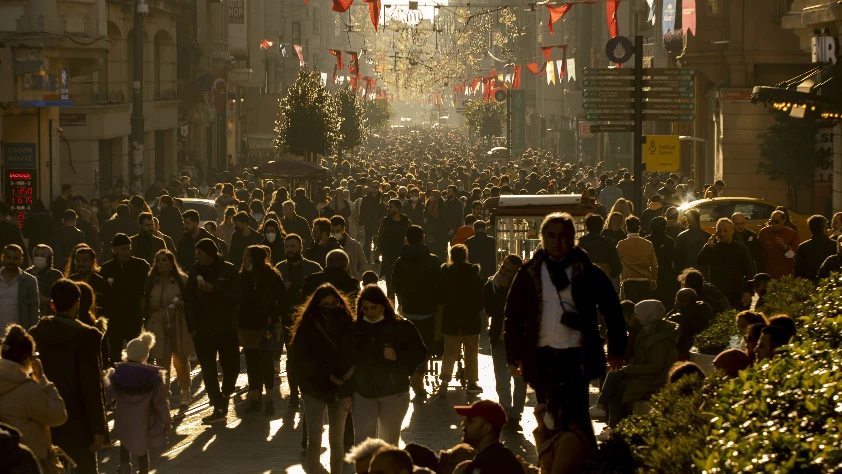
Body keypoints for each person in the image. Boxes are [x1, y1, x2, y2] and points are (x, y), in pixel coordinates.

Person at [505, 212, 627, 406]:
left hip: (577, 355)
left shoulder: (589, 272)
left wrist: (617, 349)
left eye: (563, 236)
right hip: (541, 354)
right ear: (543, 238)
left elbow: (612, 310)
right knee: (547, 416)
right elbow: (513, 316)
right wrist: (514, 355)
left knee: (576, 416)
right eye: (551, 235)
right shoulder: (528, 273)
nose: (557, 241)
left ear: (572, 238)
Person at [29, 279, 107, 474]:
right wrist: (99, 428)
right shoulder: (86, 336)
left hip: (44, 417)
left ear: (52, 304)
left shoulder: (35, 335)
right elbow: (91, 385)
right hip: (78, 420)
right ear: (77, 304)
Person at [289, 284, 356, 474]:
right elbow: (301, 358)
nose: (329, 307)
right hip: (314, 387)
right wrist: (326, 374)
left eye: (333, 303)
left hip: (339, 387)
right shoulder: (307, 325)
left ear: (339, 303)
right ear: (317, 304)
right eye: (324, 304)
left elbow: (352, 352)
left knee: (337, 440)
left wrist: (348, 374)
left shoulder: (347, 322)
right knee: (314, 440)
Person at [349, 285, 426, 445]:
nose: (370, 312)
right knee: (363, 445)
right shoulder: (354, 329)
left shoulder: (401, 325)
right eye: (365, 308)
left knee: (389, 444)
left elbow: (420, 352)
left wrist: (398, 357)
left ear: (383, 305)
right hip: (363, 394)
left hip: (394, 392)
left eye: (374, 308)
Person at [591, 300, 678, 434]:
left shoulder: (658, 339)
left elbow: (656, 366)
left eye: (639, 313)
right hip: (645, 373)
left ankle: (612, 423)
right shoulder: (648, 331)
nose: (636, 316)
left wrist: (630, 368)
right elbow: (641, 356)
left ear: (648, 315)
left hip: (655, 378)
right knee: (616, 375)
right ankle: (609, 419)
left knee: (620, 386)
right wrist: (630, 365)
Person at [185, 238, 241, 424]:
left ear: (209, 254)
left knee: (231, 367)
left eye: (199, 253)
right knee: (208, 370)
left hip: (226, 328)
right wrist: (192, 328)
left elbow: (236, 297)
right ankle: (218, 405)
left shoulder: (228, 270)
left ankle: (225, 394)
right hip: (203, 330)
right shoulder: (195, 271)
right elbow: (189, 300)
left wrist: (214, 289)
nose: (197, 256)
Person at [0, 324, 67, 467]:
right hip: (33, 464)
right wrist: (43, 381)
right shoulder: (29, 391)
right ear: (26, 358)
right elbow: (59, 415)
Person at [104, 332, 171, 474]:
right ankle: (143, 471)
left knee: (124, 441)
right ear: (145, 355)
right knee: (142, 449)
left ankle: (125, 467)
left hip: (123, 418)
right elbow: (160, 402)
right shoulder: (153, 377)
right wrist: (167, 421)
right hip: (144, 419)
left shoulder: (118, 374)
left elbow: (111, 394)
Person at [391, 225, 442, 403]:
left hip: (408, 309)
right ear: (423, 238)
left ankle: (410, 373)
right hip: (428, 310)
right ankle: (418, 376)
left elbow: (394, 284)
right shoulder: (434, 260)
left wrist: (401, 300)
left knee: (408, 344)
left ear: (406, 239)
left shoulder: (400, 261)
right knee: (426, 345)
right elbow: (440, 283)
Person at [275, 234, 323, 406]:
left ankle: (310, 389)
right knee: (292, 357)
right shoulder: (279, 269)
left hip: (310, 319)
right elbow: (275, 297)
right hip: (289, 319)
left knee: (311, 355)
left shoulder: (313, 267)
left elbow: (321, 294)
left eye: (293, 246)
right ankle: (294, 393)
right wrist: (282, 290)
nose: (289, 250)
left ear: (300, 247)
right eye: (287, 247)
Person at [142, 249, 193, 410]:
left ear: (171, 263)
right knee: (161, 363)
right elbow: (146, 305)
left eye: (164, 260)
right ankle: (164, 394)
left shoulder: (181, 280)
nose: (161, 263)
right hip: (158, 326)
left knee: (181, 360)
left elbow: (192, 301)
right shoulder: (151, 282)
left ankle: (185, 390)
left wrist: (182, 305)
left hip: (178, 325)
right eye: (158, 261)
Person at [239, 245, 285, 415]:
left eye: (248, 255)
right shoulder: (243, 276)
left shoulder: (271, 275)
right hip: (248, 326)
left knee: (266, 361)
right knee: (251, 361)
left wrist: (273, 316)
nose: (244, 259)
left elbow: (281, 298)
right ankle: (255, 397)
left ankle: (269, 398)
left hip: (266, 325)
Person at [485, 255, 526, 428]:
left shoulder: (524, 288)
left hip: (518, 340)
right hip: (499, 338)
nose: (504, 272)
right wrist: (502, 290)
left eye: (509, 271)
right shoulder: (491, 285)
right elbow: (492, 311)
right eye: (503, 267)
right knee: (502, 378)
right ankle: (505, 412)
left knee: (520, 379)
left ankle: (516, 414)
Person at [438, 244, 485, 395]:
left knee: (450, 351)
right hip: (470, 318)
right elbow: (480, 297)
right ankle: (471, 382)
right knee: (471, 351)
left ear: (451, 256)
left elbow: (441, 296)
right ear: (466, 256)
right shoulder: (473, 274)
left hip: (451, 317)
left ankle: (445, 381)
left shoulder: (446, 274)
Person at [100, 233, 151, 368]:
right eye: (123, 249)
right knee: (115, 352)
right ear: (114, 250)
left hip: (134, 316)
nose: (127, 252)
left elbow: (148, 289)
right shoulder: (107, 268)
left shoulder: (140, 265)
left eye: (128, 248)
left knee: (135, 352)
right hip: (115, 317)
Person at [533, 385, 596, 474]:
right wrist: (541, 425)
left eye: (548, 407)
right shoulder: (562, 434)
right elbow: (544, 462)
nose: (546, 412)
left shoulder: (569, 440)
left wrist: (526, 470)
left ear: (561, 410)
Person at [697, 218, 755, 309]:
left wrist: (748, 291)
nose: (722, 234)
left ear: (732, 231)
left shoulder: (740, 248)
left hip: (736, 293)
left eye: (725, 231)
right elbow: (700, 261)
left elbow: (749, 271)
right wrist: (708, 247)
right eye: (719, 231)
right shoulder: (713, 248)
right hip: (717, 294)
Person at [453, 400, 524, 474]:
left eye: (470, 420)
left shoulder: (487, 465)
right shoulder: (503, 457)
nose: (463, 424)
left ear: (487, 428)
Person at [374, 199, 412, 299]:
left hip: (401, 253)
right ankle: (391, 305)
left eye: (391, 207)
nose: (388, 208)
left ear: (397, 208)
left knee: (401, 280)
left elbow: (410, 237)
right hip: (387, 253)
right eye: (388, 206)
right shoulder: (385, 221)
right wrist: (377, 253)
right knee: (389, 281)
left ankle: (400, 304)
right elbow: (379, 237)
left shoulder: (406, 221)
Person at [616, 216, 658, 303]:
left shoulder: (622, 244)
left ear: (626, 229)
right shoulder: (648, 244)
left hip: (628, 281)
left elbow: (615, 261)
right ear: (639, 228)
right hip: (645, 280)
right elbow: (654, 264)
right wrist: (653, 279)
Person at [666, 288, 714, 360]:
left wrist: (674, 309)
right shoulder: (705, 309)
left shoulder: (676, 319)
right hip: (701, 351)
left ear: (682, 302)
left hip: (682, 353)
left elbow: (665, 325)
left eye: (677, 300)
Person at [0, 244, 39, 330]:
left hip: (18, 336)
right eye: (9, 257)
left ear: (21, 260)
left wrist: (33, 332)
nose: (11, 261)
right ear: (2, 258)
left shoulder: (29, 281)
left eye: (15, 258)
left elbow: (34, 309)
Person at [577, 214, 621, 282]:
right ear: (601, 227)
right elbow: (617, 267)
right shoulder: (609, 243)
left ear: (587, 227)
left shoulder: (580, 243)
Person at [646, 217, 678, 307]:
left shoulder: (647, 241)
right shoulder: (670, 241)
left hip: (651, 274)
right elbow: (673, 258)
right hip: (667, 274)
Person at [758, 210, 800, 278]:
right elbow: (758, 251)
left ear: (783, 221)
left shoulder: (791, 233)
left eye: (776, 222)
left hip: (785, 274)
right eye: (772, 221)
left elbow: (794, 256)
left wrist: (785, 247)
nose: (774, 224)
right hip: (769, 274)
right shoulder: (764, 232)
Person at [794, 215, 836, 283]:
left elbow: (798, 272)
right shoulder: (834, 245)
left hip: (809, 285)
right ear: (824, 228)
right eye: (827, 227)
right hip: (829, 285)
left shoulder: (803, 247)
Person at [26, 245, 63, 316]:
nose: (39, 257)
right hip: (31, 315)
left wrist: (48, 300)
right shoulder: (27, 273)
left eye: (42, 255)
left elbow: (62, 296)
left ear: (49, 258)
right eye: (37, 255)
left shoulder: (56, 274)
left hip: (51, 315)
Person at [674, 209, 711, 274]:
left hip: (687, 273)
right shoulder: (707, 236)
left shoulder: (682, 237)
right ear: (699, 219)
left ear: (687, 220)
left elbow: (678, 259)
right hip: (704, 272)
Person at [331, 215, 368, 280]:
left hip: (351, 285)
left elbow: (363, 265)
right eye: (333, 231)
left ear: (343, 229)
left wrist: (356, 277)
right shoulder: (326, 245)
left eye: (337, 231)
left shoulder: (355, 245)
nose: (335, 234)